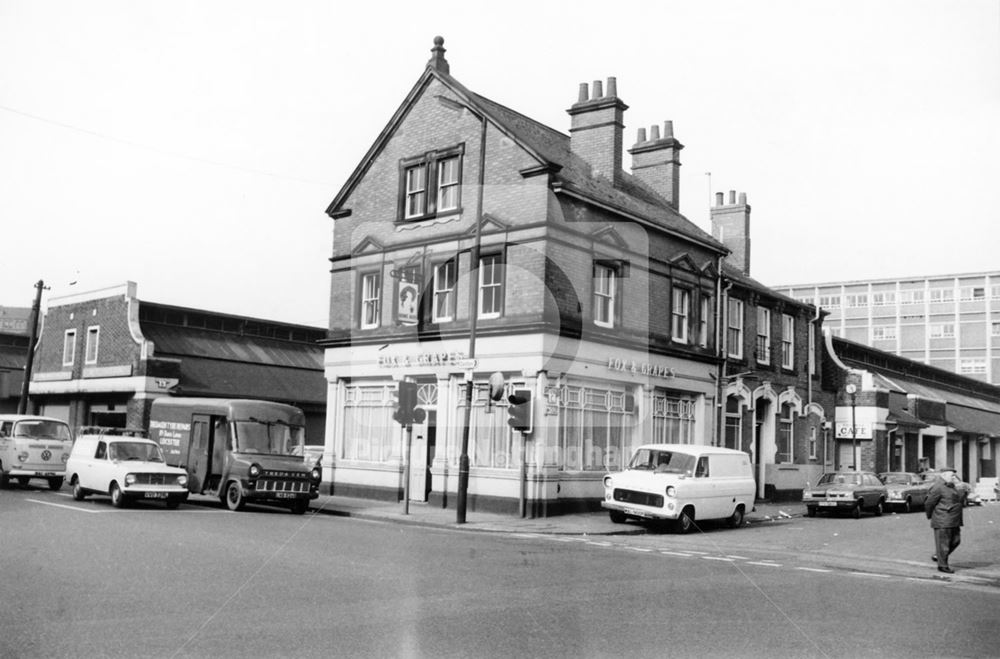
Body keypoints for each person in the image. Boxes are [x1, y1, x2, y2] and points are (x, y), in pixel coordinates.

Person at [924, 466, 966, 573]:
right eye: (952, 475)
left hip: (954, 519)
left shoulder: (952, 486)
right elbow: (929, 503)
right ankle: (942, 565)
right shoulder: (938, 487)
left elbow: (958, 500)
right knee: (943, 544)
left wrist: (963, 490)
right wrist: (932, 516)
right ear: (944, 475)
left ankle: (939, 556)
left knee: (956, 540)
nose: (954, 477)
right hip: (943, 519)